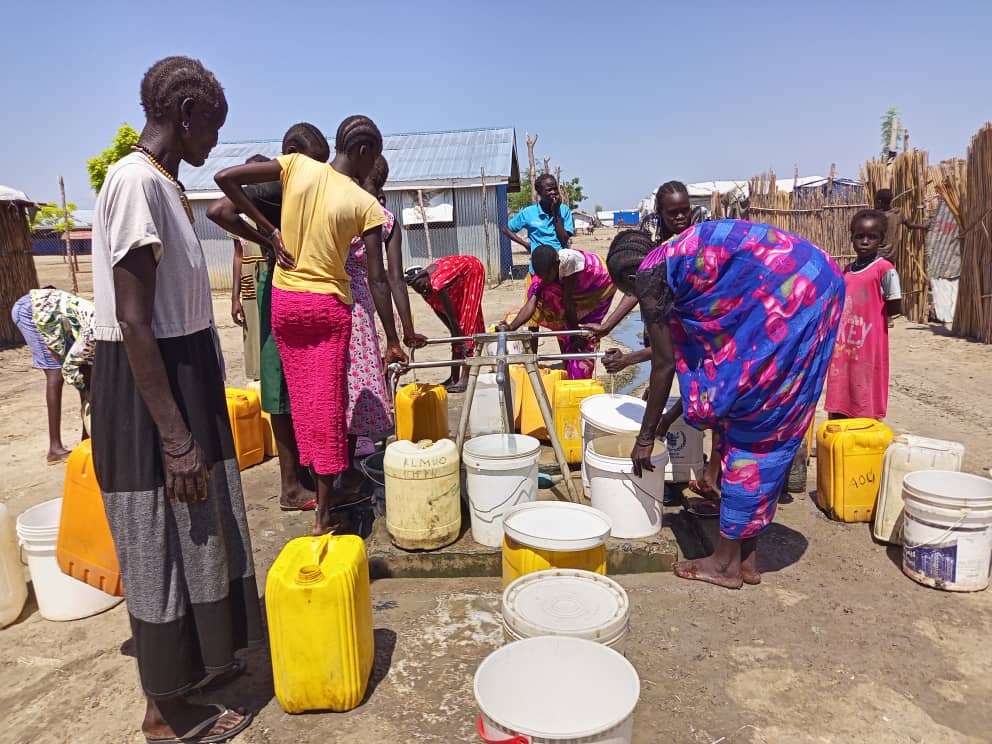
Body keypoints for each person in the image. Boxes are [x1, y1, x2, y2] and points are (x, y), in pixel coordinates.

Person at [89, 56, 259, 742]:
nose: (213, 144)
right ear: (186, 114)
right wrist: (176, 437)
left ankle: (195, 672)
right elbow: (133, 321)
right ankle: (164, 713)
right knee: (158, 544)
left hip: (181, 374)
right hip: (148, 390)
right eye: (210, 129)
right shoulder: (134, 183)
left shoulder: (161, 184)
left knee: (198, 534)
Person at [606, 219, 844, 589]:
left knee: (756, 422)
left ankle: (724, 565)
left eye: (629, 291)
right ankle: (746, 558)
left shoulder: (651, 274)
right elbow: (703, 366)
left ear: (629, 278)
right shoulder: (680, 265)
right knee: (754, 413)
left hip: (794, 291)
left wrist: (645, 438)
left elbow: (666, 364)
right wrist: (669, 419)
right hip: (811, 280)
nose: (636, 299)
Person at [214, 115, 408, 536]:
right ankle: (324, 510)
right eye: (373, 155)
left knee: (303, 402)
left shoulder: (297, 166)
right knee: (330, 404)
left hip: (284, 304)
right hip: (326, 308)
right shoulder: (365, 205)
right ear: (363, 152)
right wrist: (392, 339)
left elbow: (225, 179)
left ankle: (305, 484)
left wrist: (269, 234)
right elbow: (378, 279)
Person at [207, 124, 332, 511]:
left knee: (295, 385)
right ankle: (290, 485)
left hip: (290, 286)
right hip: (276, 288)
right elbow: (219, 210)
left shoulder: (290, 181)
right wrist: (269, 237)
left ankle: (302, 473)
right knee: (278, 386)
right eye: (312, 163)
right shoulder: (277, 179)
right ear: (292, 151)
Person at [340, 155, 424, 490]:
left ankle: (338, 459)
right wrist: (402, 332)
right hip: (360, 304)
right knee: (357, 379)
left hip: (326, 295)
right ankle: (347, 464)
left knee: (338, 379)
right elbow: (393, 279)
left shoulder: (337, 207)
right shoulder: (383, 218)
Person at [589, 182, 711, 377]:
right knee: (662, 358)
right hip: (657, 300)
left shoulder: (701, 228)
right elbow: (639, 282)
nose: (680, 217)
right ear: (659, 211)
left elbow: (682, 342)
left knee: (691, 358)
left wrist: (628, 359)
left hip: (693, 300)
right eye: (672, 212)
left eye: (684, 210)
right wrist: (607, 326)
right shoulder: (651, 230)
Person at [825, 209, 902, 420]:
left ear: (881, 239)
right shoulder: (847, 270)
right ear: (851, 238)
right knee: (842, 385)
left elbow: (895, 305)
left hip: (868, 343)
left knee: (865, 386)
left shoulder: (884, 269)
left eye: (872, 237)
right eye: (860, 236)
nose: (865, 241)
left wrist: (873, 318)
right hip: (844, 343)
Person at [500, 244, 615, 379]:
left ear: (557, 265)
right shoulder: (544, 274)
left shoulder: (570, 262)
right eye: (541, 275)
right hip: (572, 294)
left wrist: (575, 334)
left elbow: (568, 303)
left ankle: (580, 376)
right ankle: (568, 365)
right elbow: (530, 304)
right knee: (541, 293)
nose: (545, 279)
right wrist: (511, 327)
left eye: (548, 275)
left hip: (598, 286)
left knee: (584, 336)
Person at [11, 286, 94, 463]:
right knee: (56, 374)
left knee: (87, 375)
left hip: (55, 317)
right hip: (32, 311)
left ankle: (87, 439)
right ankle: (55, 449)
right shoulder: (94, 331)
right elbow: (70, 367)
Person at [405, 255, 487, 392]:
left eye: (422, 286)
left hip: (472, 271)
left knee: (467, 325)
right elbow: (439, 310)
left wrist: (461, 340)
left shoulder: (437, 284)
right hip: (457, 281)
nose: (422, 290)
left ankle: (466, 377)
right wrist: (453, 333)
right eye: (418, 289)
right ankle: (453, 378)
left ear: (426, 277)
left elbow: (452, 318)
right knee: (457, 332)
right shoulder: (425, 289)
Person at [875, 188, 929, 261]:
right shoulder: (898, 213)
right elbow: (910, 225)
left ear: (879, 201)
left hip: (877, 255)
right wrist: (924, 226)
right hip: (891, 255)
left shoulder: (876, 216)